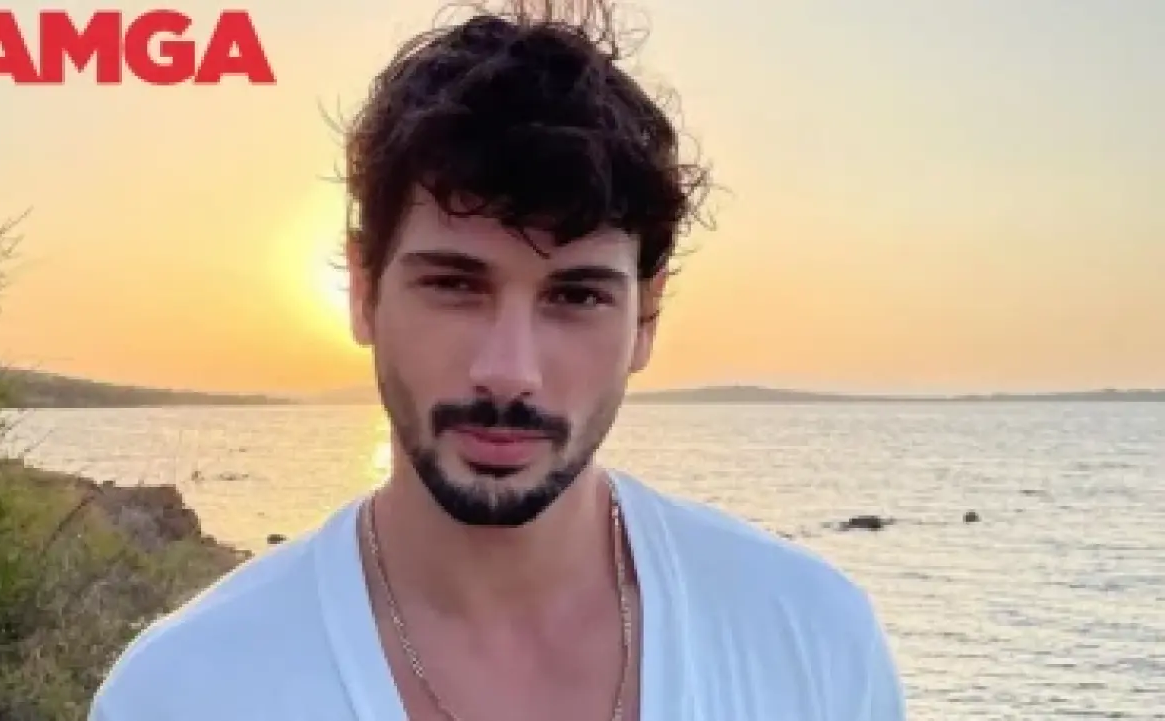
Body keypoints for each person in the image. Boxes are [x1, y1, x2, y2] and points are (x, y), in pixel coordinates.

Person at [88, 1, 906, 719]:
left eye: (575, 296)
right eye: (454, 285)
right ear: (365, 290)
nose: (510, 370)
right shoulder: (186, 691)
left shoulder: (810, 641)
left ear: (646, 314)